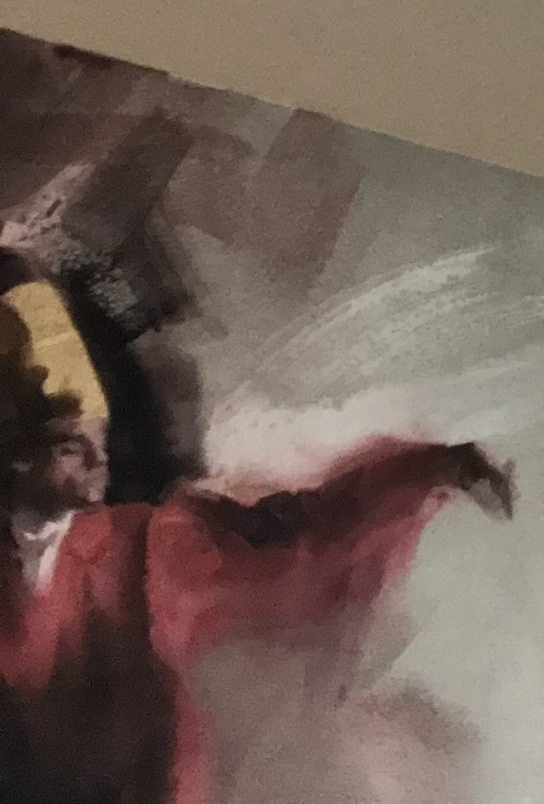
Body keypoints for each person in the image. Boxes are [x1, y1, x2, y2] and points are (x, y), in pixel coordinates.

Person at [0, 265, 512, 804]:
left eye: (99, 438)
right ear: (16, 458)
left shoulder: (141, 547)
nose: (98, 461)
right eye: (70, 447)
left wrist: (424, 472)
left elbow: (296, 539)